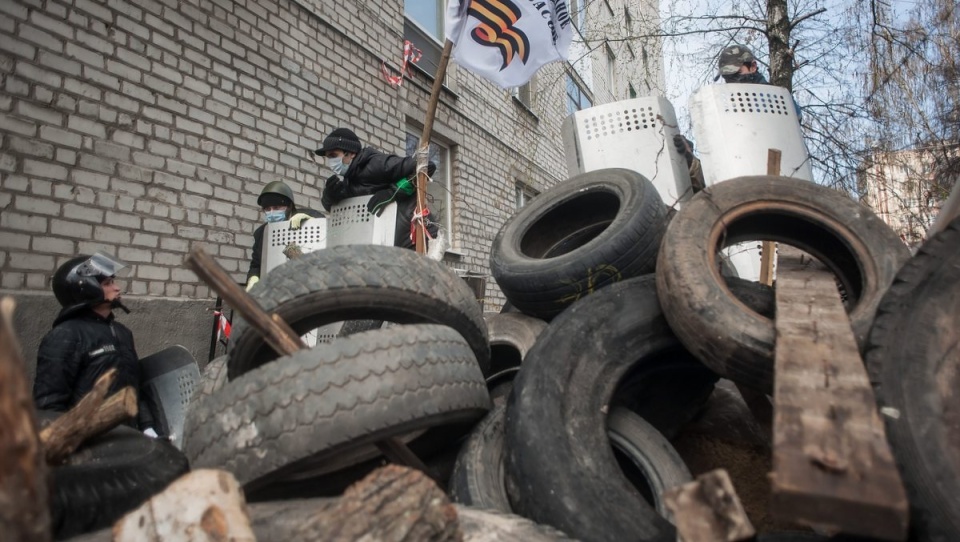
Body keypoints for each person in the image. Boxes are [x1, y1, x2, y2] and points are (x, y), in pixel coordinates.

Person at [33, 252, 157, 433]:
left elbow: (134, 386)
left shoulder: (122, 333)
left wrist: (147, 426)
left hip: (128, 439)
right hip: (89, 442)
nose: (117, 288)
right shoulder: (65, 335)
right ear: (86, 289)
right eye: (108, 283)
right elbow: (48, 405)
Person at [314, 127, 438, 249]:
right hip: (389, 242)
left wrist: (392, 192)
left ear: (351, 153)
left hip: (415, 237)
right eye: (328, 157)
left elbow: (426, 166)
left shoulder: (375, 164)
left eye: (333, 155)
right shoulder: (350, 181)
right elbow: (336, 209)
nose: (331, 161)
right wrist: (329, 197)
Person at [246, 181, 323, 291]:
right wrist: (253, 279)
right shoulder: (261, 233)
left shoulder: (308, 216)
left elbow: (330, 235)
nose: (272, 213)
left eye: (277, 207)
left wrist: (312, 222)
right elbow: (256, 265)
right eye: (267, 209)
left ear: (289, 206)